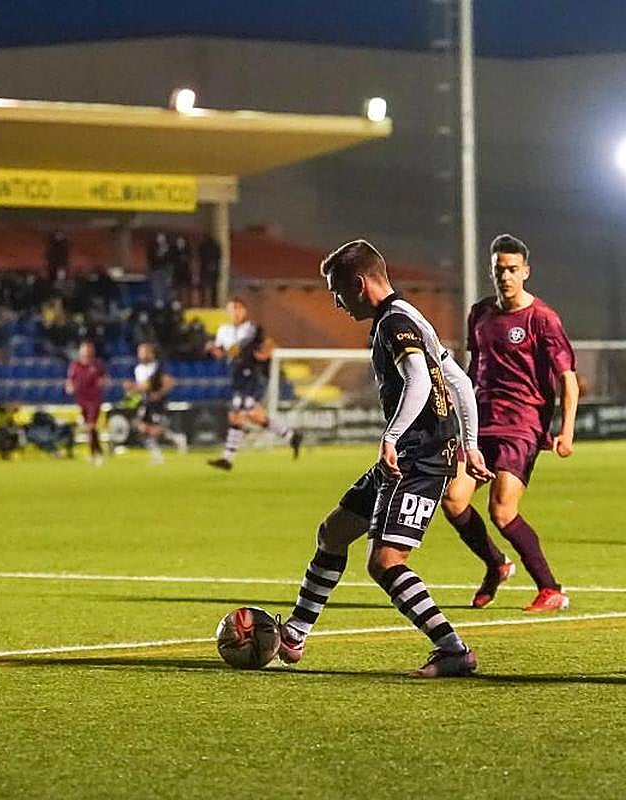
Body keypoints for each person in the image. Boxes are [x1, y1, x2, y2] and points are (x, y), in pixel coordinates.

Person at [276, 239, 494, 678]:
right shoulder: (411, 316)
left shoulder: (395, 322)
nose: (336, 302)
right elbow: (461, 383)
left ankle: (452, 649)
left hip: (418, 454)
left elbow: (417, 378)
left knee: (386, 562)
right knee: (333, 532)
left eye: (338, 291)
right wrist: (470, 444)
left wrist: (391, 435)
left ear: (359, 283)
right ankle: (295, 632)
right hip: (423, 449)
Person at [441, 234, 579, 612]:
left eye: (513, 270)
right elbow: (474, 369)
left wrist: (565, 431)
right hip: (480, 423)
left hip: (522, 424)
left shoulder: (542, 319)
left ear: (526, 272)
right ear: (491, 271)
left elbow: (566, 379)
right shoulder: (480, 314)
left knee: (501, 510)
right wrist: (458, 418)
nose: (506, 276)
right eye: (499, 270)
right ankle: (496, 565)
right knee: (453, 500)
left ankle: (551, 589)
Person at [205, 297, 301, 470]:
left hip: (252, 375)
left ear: (244, 310)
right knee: (255, 416)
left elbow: (266, 345)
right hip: (236, 375)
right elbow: (222, 353)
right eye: (231, 309)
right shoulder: (223, 330)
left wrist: (263, 354)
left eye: (238, 308)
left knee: (237, 414)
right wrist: (213, 349)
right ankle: (291, 435)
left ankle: (227, 458)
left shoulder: (252, 329)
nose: (235, 312)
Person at [124, 342, 175, 465]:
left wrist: (159, 393)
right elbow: (143, 387)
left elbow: (170, 382)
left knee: (154, 430)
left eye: (144, 352)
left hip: (157, 403)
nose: (142, 355)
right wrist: (132, 389)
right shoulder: (138, 369)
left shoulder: (158, 367)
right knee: (142, 427)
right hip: (146, 402)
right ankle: (158, 454)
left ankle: (176, 439)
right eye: (140, 352)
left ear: (151, 353)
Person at [65, 340, 109, 465]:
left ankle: (93, 454)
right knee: (91, 428)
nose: (87, 352)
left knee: (90, 426)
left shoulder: (98, 364)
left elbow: (105, 379)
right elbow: (70, 380)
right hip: (81, 399)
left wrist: (103, 382)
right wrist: (69, 387)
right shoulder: (75, 365)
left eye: (89, 349)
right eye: (84, 349)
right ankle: (99, 452)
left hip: (94, 399)